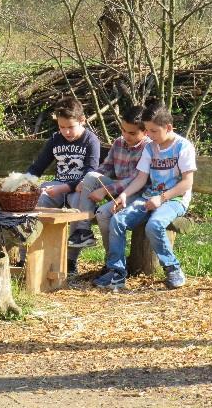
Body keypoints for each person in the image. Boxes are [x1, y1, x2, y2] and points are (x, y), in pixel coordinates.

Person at [93, 102, 197, 290]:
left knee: (154, 225)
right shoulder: (151, 148)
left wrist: (162, 198)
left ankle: (173, 268)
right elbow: (141, 178)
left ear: (168, 128)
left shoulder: (183, 146)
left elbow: (187, 183)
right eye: (147, 131)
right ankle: (116, 273)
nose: (149, 135)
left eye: (153, 131)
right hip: (149, 196)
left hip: (175, 199)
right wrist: (124, 195)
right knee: (118, 220)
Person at [22, 96, 100, 275]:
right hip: (56, 186)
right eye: (61, 127)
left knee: (77, 207)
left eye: (70, 127)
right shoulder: (56, 139)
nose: (66, 132)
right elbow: (38, 166)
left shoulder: (91, 141)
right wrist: (24, 182)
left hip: (79, 188)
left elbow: (90, 173)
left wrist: (65, 188)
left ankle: (70, 261)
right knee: (35, 201)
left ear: (82, 120)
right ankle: (26, 255)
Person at [68, 105, 150, 258]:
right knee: (91, 176)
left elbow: (136, 179)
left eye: (132, 133)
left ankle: (111, 260)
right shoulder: (119, 142)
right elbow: (106, 167)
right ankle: (84, 230)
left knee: (103, 212)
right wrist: (85, 181)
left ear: (145, 131)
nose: (126, 135)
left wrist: (106, 190)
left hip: (137, 193)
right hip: (117, 190)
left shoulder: (149, 148)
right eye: (123, 130)